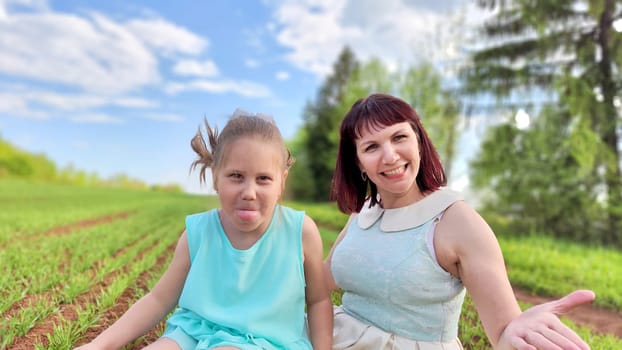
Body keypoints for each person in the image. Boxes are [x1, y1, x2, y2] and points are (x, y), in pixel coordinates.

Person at [324, 93, 595, 350]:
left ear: (418, 141)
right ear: (358, 163)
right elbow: (325, 279)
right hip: (337, 337)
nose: (390, 156)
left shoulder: (456, 221)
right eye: (371, 147)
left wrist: (516, 332)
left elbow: (503, 332)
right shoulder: (364, 212)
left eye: (399, 137)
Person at [75, 112, 333, 350]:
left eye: (263, 179)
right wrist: (97, 345)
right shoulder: (198, 232)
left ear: (282, 182)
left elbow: (319, 301)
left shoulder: (301, 232)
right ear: (215, 177)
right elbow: (158, 299)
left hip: (265, 340)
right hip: (192, 331)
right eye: (236, 176)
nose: (249, 192)